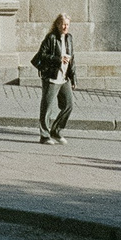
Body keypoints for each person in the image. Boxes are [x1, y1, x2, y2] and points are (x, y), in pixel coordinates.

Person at [33, 11, 77, 143]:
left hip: (64, 77)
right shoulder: (50, 38)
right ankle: (44, 135)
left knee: (69, 105)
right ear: (57, 24)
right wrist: (58, 59)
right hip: (51, 77)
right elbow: (42, 55)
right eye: (63, 24)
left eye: (67, 25)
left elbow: (72, 59)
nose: (65, 27)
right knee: (47, 107)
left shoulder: (69, 38)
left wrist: (73, 77)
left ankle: (56, 130)